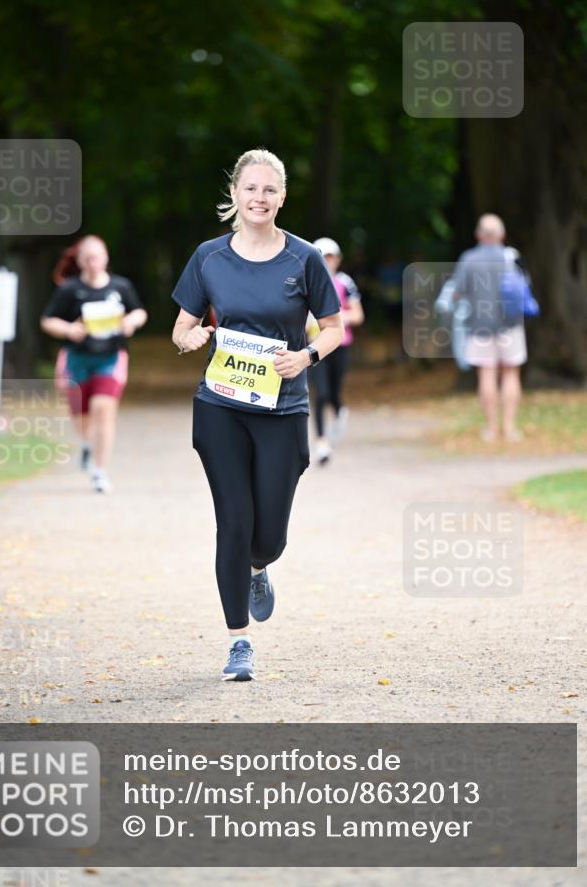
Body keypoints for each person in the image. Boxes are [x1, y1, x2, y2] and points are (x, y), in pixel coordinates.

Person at [171, 148, 343, 681]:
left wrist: (307, 355)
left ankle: (258, 567)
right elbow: (181, 329)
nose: (259, 198)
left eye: (270, 190)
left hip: (282, 407)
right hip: (221, 405)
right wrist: (192, 336)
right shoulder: (209, 257)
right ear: (235, 195)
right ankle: (238, 642)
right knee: (234, 522)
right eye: (251, 189)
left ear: (282, 197)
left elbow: (333, 327)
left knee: (268, 537)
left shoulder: (304, 259)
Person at [40, 235, 148, 492]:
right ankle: (87, 444)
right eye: (87, 258)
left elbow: (139, 311)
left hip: (110, 358)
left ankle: (100, 472)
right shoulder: (69, 289)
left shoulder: (120, 287)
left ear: (106, 257)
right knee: (81, 419)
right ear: (79, 261)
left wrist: (131, 322)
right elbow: (47, 320)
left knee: (103, 408)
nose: (93, 262)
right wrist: (68, 329)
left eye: (97, 256)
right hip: (78, 360)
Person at [452, 213, 528, 443]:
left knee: (486, 373)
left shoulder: (469, 259)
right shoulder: (511, 257)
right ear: (502, 235)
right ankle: (510, 427)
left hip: (479, 325)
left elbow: (457, 293)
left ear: (478, 235)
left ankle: (491, 429)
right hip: (511, 325)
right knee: (511, 373)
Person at [308, 237, 364, 465]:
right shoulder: (306, 282)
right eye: (321, 256)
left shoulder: (345, 282)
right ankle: (321, 442)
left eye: (330, 256)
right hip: (315, 345)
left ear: (338, 259)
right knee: (320, 394)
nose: (326, 261)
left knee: (333, 393)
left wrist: (336, 319)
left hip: (340, 345)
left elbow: (358, 315)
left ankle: (340, 410)